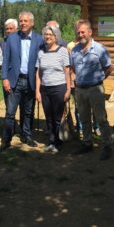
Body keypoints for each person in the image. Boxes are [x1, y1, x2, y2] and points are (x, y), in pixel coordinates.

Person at [0, 11, 44, 152]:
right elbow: (5, 60)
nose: (23, 23)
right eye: (21, 21)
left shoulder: (39, 39)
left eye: (26, 21)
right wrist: (4, 78)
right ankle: (6, 140)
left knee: (28, 112)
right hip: (14, 81)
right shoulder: (11, 38)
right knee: (10, 112)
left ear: (32, 23)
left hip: (30, 81)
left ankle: (27, 136)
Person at [71, 19, 113, 160]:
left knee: (101, 119)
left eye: (83, 32)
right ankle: (87, 143)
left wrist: (99, 79)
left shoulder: (100, 49)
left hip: (95, 89)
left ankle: (107, 145)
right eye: (78, 32)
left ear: (90, 32)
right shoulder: (75, 50)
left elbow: (109, 67)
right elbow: (72, 68)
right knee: (84, 119)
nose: (80, 34)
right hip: (80, 90)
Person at [35, 25, 71, 153]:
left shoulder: (63, 51)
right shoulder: (41, 52)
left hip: (59, 87)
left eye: (50, 35)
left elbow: (67, 71)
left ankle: (57, 142)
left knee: (57, 117)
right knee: (48, 117)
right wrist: (37, 91)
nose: (48, 37)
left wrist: (68, 89)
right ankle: (51, 140)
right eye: (46, 34)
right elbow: (39, 73)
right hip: (45, 88)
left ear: (56, 37)